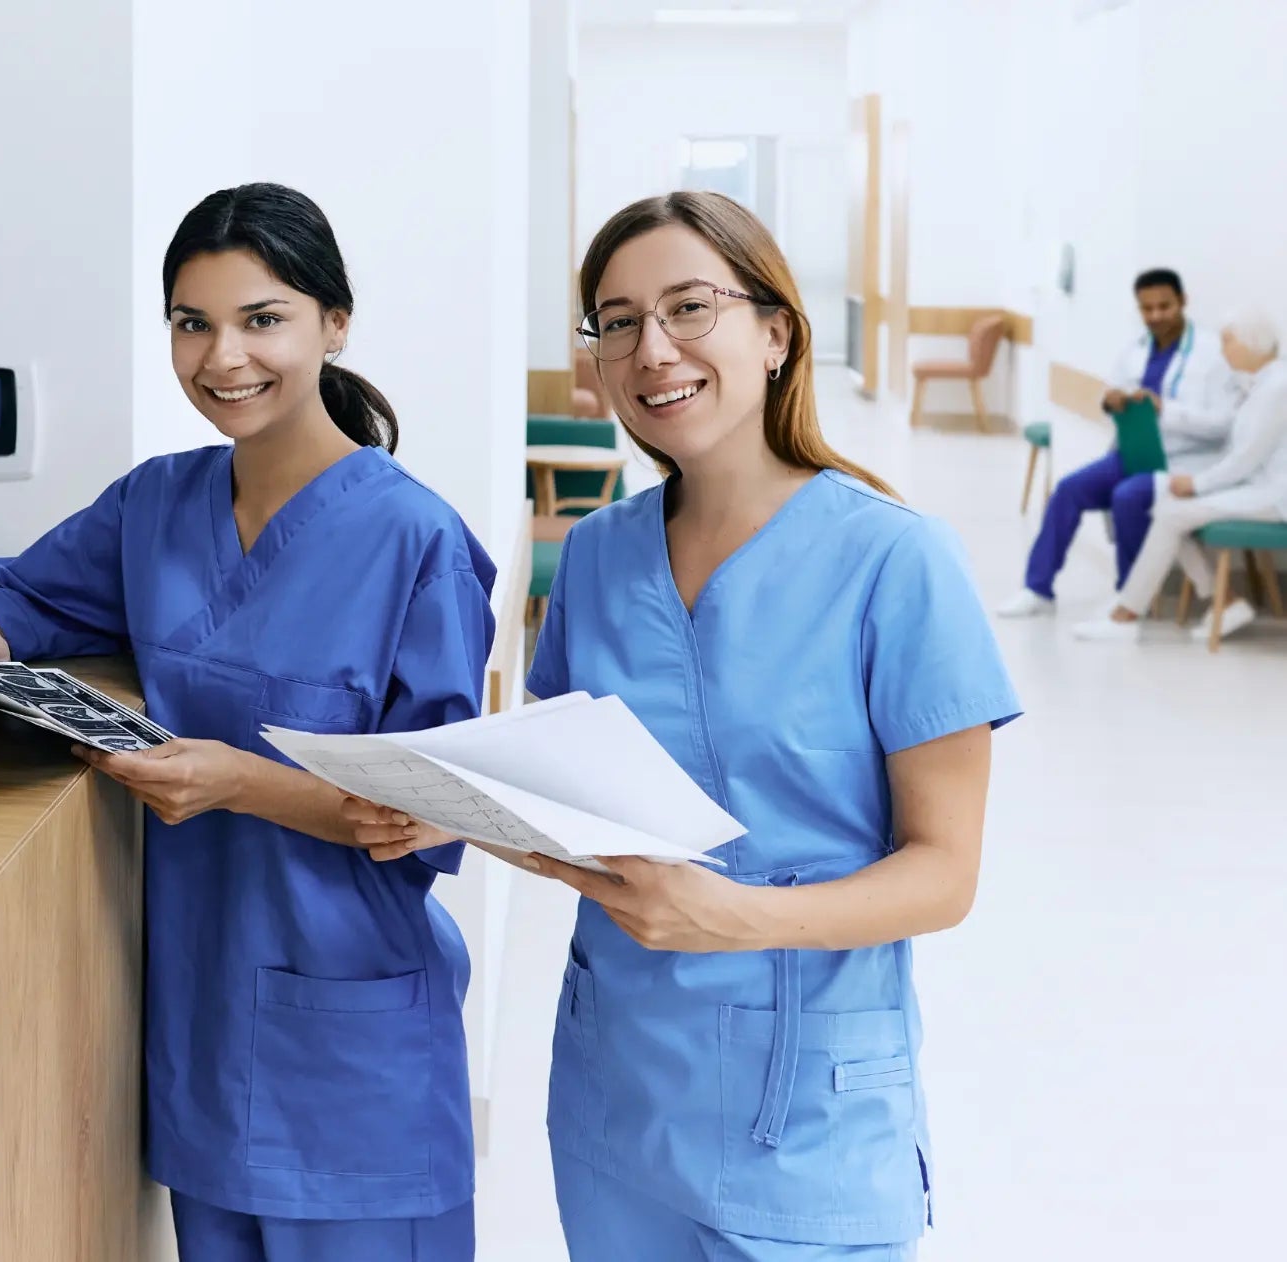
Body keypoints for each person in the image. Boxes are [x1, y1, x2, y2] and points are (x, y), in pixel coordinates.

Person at [438, 191, 1015, 1260]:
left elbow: (946, 872)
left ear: (776, 331)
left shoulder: (896, 559)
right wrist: (440, 801)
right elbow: (567, 801)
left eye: (688, 307)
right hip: (619, 1095)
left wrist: (730, 916)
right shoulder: (601, 556)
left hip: (810, 1118)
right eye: (617, 322)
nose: (652, 349)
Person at [0, 183, 493, 1261]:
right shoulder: (157, 505)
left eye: (261, 319)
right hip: (201, 1029)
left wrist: (238, 781)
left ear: (334, 323)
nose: (221, 356)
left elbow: (435, 809)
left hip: (351, 1048)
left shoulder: (416, 540)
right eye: (193, 323)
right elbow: (11, 587)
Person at [998, 268, 1246, 617]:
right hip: (1132, 453)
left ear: (1183, 302)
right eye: (1147, 309)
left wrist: (1166, 410)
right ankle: (1037, 589)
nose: (1156, 316)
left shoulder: (1211, 354)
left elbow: (1223, 425)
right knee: (1068, 490)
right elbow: (1110, 391)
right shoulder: (1136, 349)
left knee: (1127, 497)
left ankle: (1128, 598)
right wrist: (1109, 400)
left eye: (1165, 306)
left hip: (1182, 462)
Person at [1073, 309, 1287, 642]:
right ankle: (1225, 602)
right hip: (1257, 486)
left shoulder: (1277, 388)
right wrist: (1193, 481)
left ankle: (1126, 616)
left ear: (1251, 345)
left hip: (1273, 496)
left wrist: (1198, 484)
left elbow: (1246, 458)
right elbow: (1238, 452)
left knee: (1171, 512)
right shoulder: (1259, 385)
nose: (1223, 350)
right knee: (1167, 502)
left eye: (1228, 341)